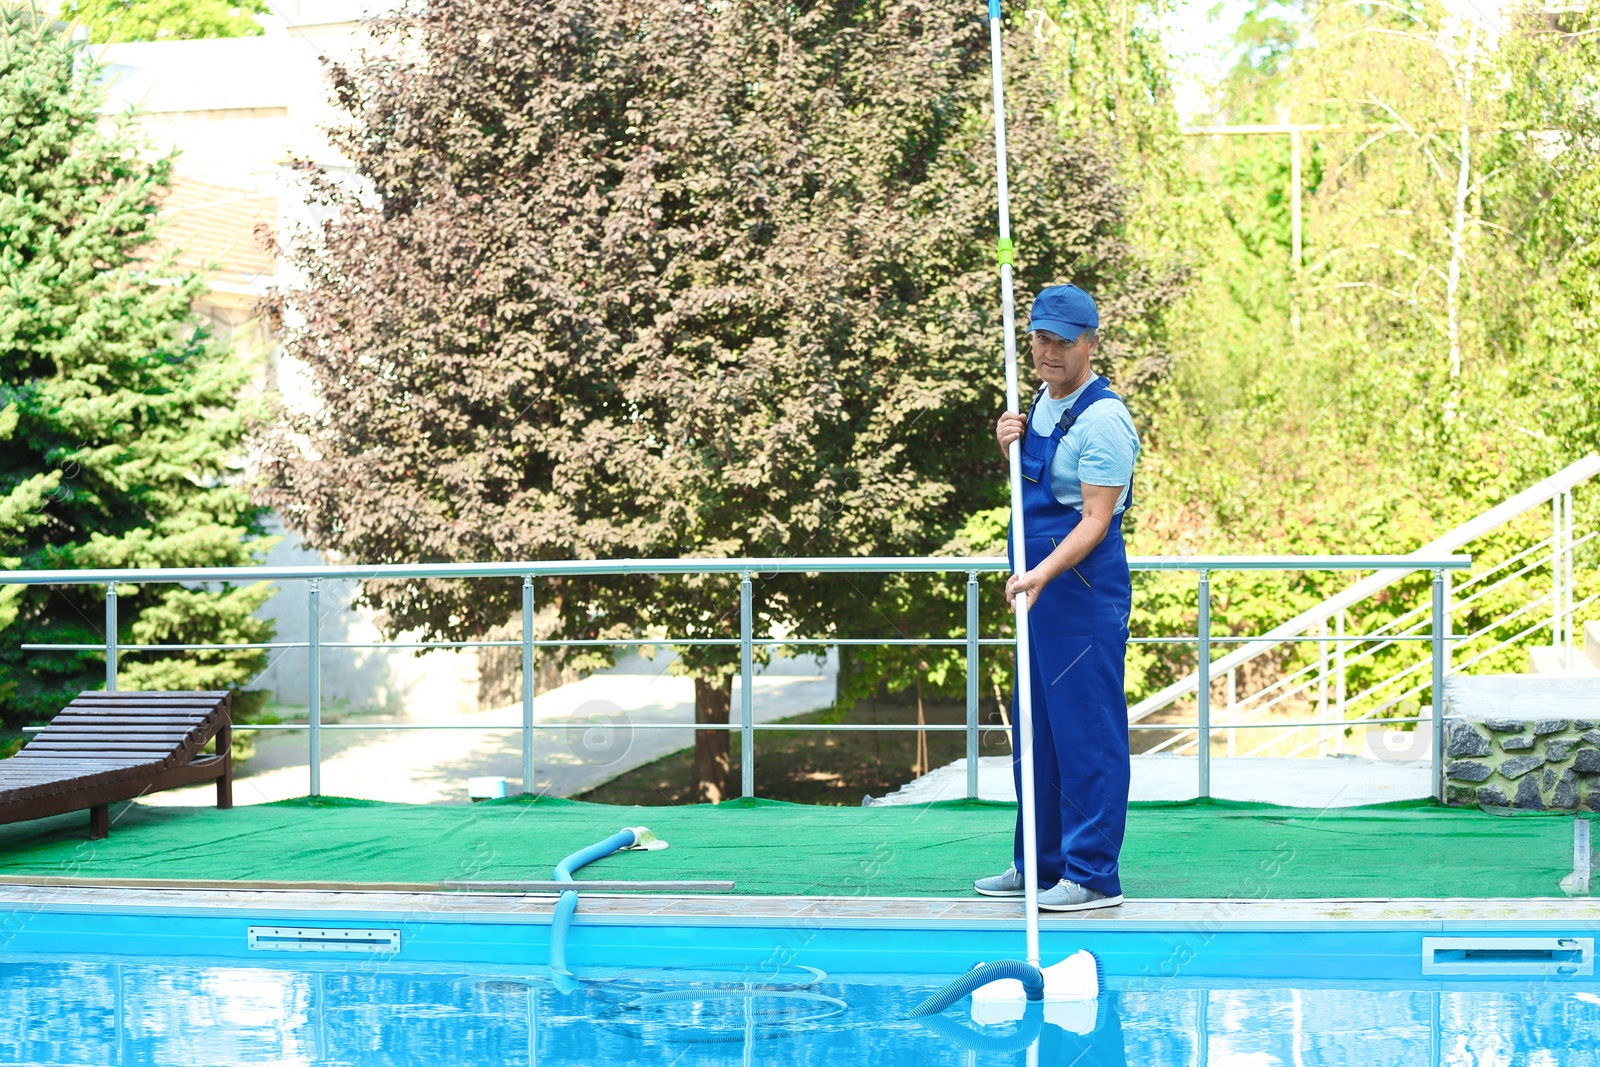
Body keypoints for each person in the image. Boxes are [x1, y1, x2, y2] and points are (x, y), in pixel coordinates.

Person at [973, 283, 1139, 912]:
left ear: (1090, 344)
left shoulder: (1105, 421)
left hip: (1080, 595)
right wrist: (1005, 447)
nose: (1048, 352)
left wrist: (1040, 573)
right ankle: (1039, 864)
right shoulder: (1036, 404)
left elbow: (1094, 519)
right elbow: (1033, 492)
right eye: (1040, 339)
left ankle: (1093, 875)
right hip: (1039, 598)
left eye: (1062, 343)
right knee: (1038, 734)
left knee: (1086, 735)